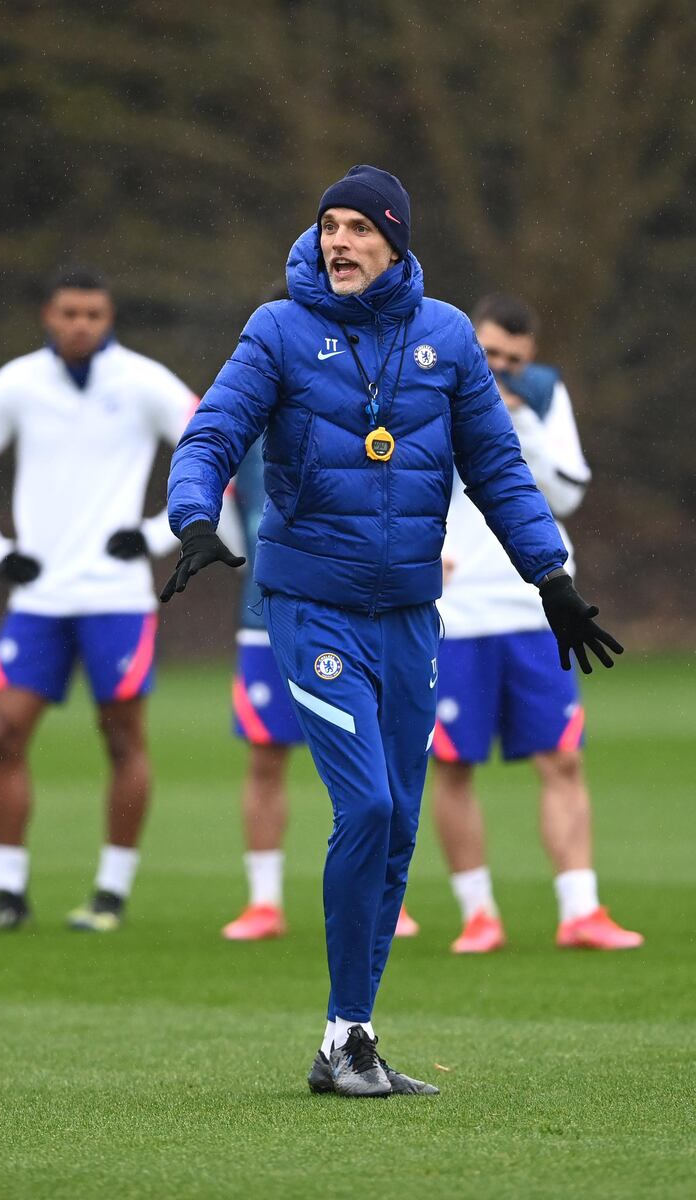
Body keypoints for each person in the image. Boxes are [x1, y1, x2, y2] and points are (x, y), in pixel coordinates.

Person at [161, 165, 622, 1097]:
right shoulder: (277, 329)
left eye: (358, 229)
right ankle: (344, 1041)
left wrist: (552, 578)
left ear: (395, 240)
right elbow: (212, 433)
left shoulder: (448, 336)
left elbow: (498, 469)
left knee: (401, 824)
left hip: (412, 615)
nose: (339, 242)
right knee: (366, 805)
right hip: (309, 606)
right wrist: (193, 515)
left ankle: (349, 1038)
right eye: (327, 226)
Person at [0, 267, 198, 933]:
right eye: (69, 313)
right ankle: (7, 894)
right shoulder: (19, 383)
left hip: (117, 598)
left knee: (120, 737)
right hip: (39, 598)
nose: (80, 324)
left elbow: (213, 458)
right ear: (48, 317)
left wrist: (152, 535)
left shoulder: (143, 382)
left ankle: (109, 894)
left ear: (109, 318)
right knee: (2, 733)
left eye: (93, 313)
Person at [431, 294, 643, 953]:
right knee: (453, 763)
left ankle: (580, 909)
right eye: (489, 354)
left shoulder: (543, 397)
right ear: (471, 341)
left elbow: (567, 494)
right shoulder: (430, 386)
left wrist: (519, 421)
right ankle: (478, 913)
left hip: (536, 606)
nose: (499, 369)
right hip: (455, 610)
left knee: (562, 758)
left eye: (514, 361)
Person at [223, 291, 419, 943]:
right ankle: (264, 899)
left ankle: (387, 891)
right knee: (267, 753)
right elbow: (222, 491)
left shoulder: (354, 401)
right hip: (266, 611)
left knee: (374, 760)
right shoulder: (243, 407)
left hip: (355, 607)